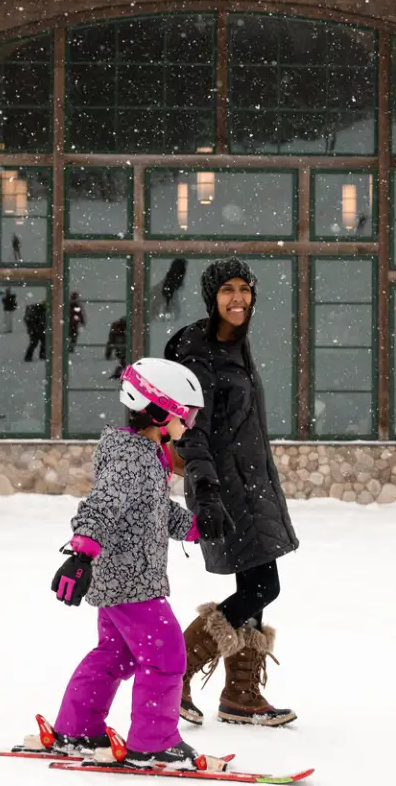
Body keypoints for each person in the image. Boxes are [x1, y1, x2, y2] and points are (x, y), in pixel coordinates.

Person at [38, 358, 222, 773]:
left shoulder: (141, 453)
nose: (189, 425)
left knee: (115, 654)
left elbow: (152, 511)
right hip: (131, 580)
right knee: (167, 654)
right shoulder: (132, 459)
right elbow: (102, 506)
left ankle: (78, 729)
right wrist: (80, 555)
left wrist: (196, 527)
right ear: (159, 411)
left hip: (123, 575)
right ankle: (153, 743)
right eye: (186, 414)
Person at [166, 258, 298, 728]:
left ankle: (241, 694)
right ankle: (172, 673)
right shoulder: (198, 354)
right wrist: (205, 490)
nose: (238, 298)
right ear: (211, 297)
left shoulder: (236, 346)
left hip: (251, 484)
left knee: (254, 589)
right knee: (264, 585)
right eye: (227, 290)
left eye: (245, 288)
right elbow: (191, 433)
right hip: (223, 488)